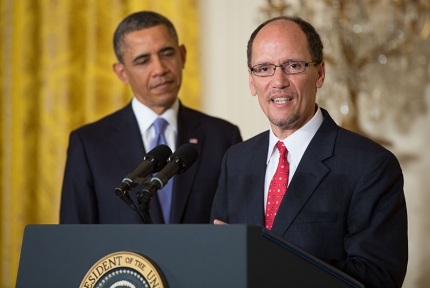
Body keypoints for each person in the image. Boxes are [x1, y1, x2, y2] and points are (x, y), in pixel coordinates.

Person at [210, 15, 407, 287]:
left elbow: (378, 277)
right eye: (264, 68)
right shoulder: (236, 160)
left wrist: (269, 263)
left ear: (320, 73)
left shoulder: (371, 165)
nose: (278, 81)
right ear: (251, 81)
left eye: (293, 65)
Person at [60, 11, 242, 224]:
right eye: (143, 61)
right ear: (122, 73)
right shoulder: (89, 144)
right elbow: (75, 236)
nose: (159, 69)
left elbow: (238, 226)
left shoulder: (223, 137)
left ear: (182, 55)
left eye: (167, 53)